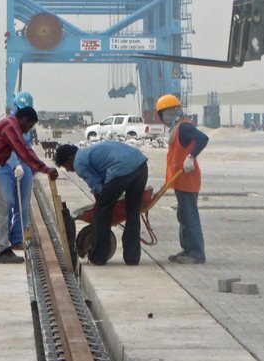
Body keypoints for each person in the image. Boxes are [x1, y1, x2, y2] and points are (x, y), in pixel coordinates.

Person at [0, 106, 58, 264]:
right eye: (29, 126)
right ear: (24, 119)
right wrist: (46, 169)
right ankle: (3, 250)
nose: (27, 130)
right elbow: (23, 151)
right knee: (1, 210)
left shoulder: (7, 123)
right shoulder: (11, 127)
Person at [54, 142, 148, 265]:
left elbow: (97, 187)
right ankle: (132, 258)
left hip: (122, 170)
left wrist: (101, 205)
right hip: (140, 165)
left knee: (101, 214)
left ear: (70, 158)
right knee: (132, 212)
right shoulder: (88, 152)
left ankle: (99, 256)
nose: (68, 170)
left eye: (65, 166)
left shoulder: (78, 162)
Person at [157, 94, 209, 265]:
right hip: (180, 181)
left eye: (162, 114)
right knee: (183, 215)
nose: (161, 119)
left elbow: (203, 138)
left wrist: (191, 157)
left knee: (190, 216)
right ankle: (187, 249)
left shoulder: (184, 127)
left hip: (188, 179)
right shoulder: (177, 127)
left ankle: (197, 253)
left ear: (170, 112)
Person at [1, 90, 34, 249]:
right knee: (6, 201)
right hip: (6, 165)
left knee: (24, 204)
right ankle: (4, 237)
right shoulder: (7, 124)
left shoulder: (28, 126)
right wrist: (15, 164)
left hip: (24, 166)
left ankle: (17, 239)